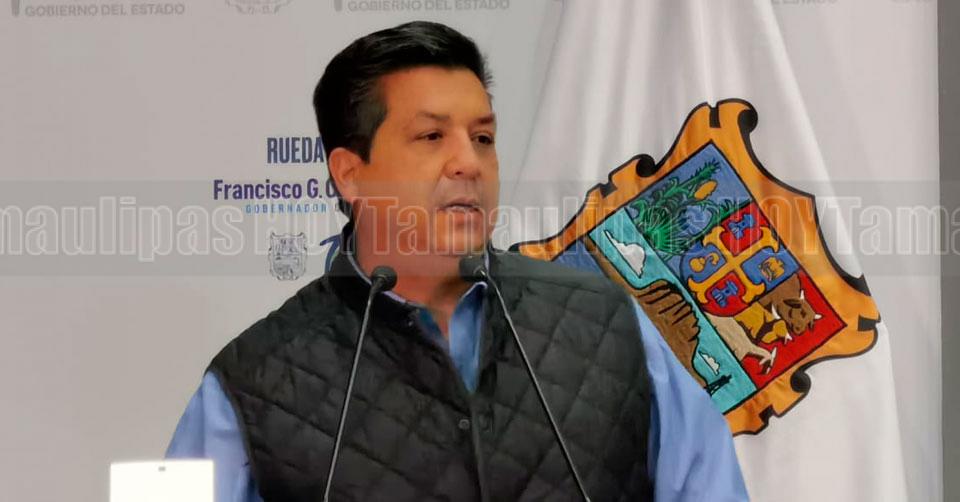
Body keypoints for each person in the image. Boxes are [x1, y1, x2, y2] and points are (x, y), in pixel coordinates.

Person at [166, 21, 749, 502]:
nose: (468, 163)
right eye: (431, 138)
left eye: (483, 138)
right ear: (350, 174)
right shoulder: (252, 382)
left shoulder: (608, 324)